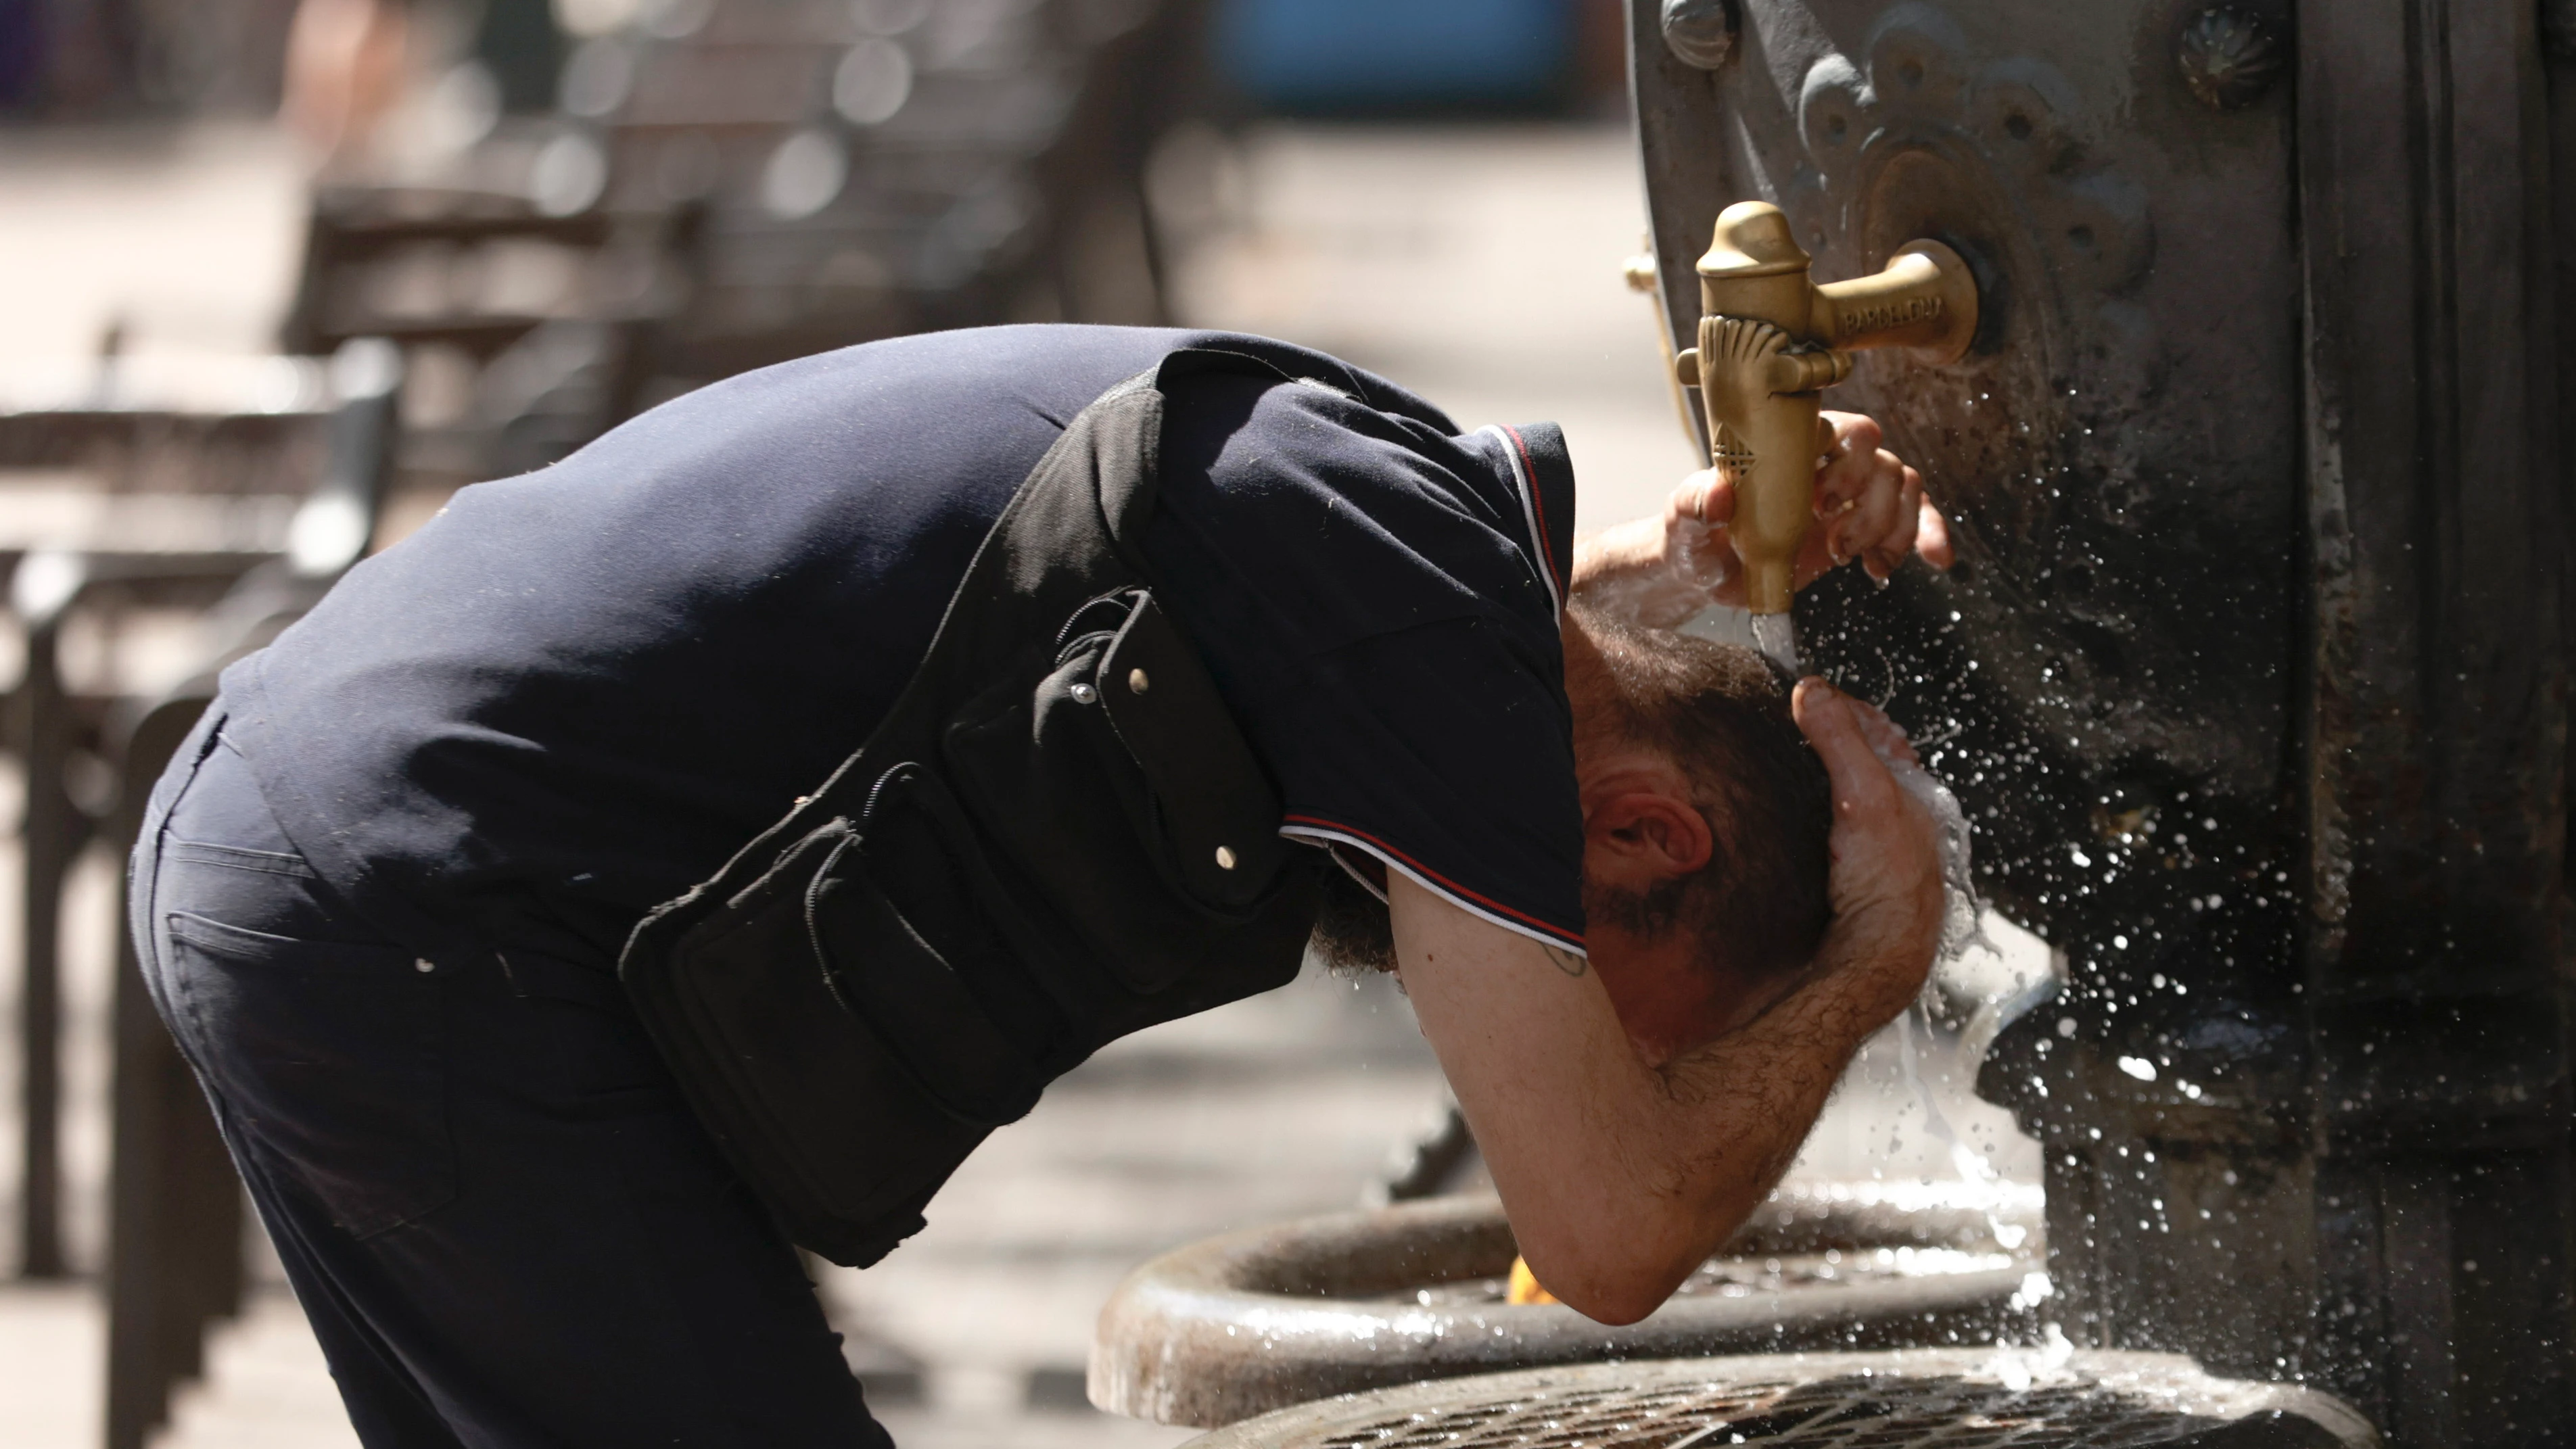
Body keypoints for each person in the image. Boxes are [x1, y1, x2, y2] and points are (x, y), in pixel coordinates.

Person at [129, 324, 1950, 1448]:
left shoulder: (1406, 568)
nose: (1517, 1051)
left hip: (296, 819)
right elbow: (1616, 1235)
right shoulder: (1421, 622)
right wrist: (1876, 950)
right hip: (414, 901)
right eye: (1630, 1033)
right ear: (1648, 843)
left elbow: (1419, 664)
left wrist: (1676, 564)